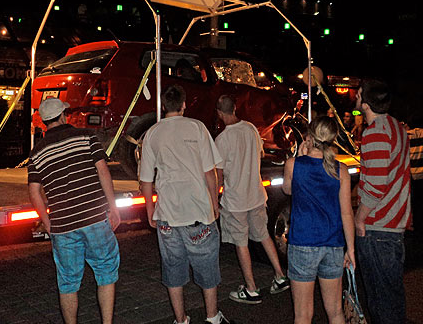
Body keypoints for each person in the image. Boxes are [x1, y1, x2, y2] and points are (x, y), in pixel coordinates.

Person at [139, 85, 234, 324]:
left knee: (173, 270)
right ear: (183, 105)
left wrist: (151, 211)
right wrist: (214, 204)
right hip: (198, 212)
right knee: (207, 268)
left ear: (163, 106)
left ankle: (181, 319)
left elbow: (146, 181)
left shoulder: (152, 133)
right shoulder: (197, 127)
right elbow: (209, 173)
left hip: (168, 216)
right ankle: (212, 317)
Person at [27, 98, 121, 324]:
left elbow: (34, 192)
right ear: (62, 116)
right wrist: (112, 206)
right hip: (94, 218)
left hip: (62, 225)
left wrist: (48, 223)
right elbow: (103, 172)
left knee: (68, 282)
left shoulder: (37, 153)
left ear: (44, 122)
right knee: (106, 272)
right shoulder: (86, 136)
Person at [214, 95, 289, 304]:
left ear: (219, 113)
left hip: (236, 200)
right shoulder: (251, 129)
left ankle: (251, 288)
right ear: (235, 108)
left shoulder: (222, 140)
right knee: (264, 235)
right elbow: (260, 153)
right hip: (256, 194)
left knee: (241, 243)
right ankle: (280, 276)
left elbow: (218, 175)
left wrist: (215, 198)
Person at [282, 116, 356, 324]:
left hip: (303, 243)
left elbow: (288, 190)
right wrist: (350, 249)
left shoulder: (293, 165)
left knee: (303, 315)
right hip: (333, 244)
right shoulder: (340, 170)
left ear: (308, 136)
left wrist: (300, 155)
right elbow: (346, 213)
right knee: (335, 312)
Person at [354, 79, 411, 324]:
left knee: (381, 303)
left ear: (363, 101)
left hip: (378, 228)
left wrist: (359, 217)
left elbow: (376, 185)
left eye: (358, 94)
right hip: (393, 224)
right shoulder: (396, 126)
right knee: (392, 299)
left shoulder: (375, 132)